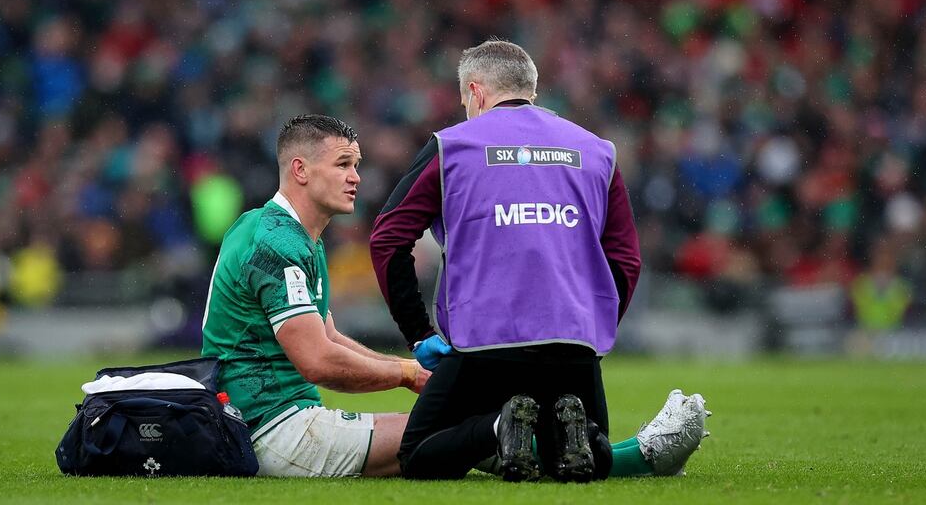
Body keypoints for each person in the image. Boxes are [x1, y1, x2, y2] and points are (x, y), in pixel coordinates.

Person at [370, 40, 709, 482]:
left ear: (475, 93)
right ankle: (605, 439)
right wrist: (593, 325)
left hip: (483, 343)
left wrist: (417, 333)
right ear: (532, 89)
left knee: (419, 453)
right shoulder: (596, 150)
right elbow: (625, 258)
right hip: (574, 346)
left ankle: (499, 424)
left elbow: (388, 239)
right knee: (573, 462)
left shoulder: (451, 147)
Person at [200, 114, 431, 477]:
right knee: (443, 429)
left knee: (445, 426)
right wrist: (407, 375)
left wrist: (413, 370)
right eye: (342, 164)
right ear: (300, 170)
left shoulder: (291, 235)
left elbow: (329, 337)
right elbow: (318, 361)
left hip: (275, 423)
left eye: (356, 165)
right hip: (271, 431)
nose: (355, 177)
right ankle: (533, 445)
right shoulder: (277, 242)